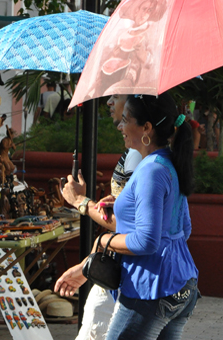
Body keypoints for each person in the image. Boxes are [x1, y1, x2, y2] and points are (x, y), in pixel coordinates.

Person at [55, 93, 199, 340]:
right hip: (181, 283)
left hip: (152, 289)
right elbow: (182, 229)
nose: (120, 127)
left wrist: (104, 242)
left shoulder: (151, 170)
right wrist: (125, 208)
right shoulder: (167, 164)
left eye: (126, 120)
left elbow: (147, 241)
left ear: (146, 128)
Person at [60, 95, 142, 340]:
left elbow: (132, 224)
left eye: (116, 97)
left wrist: (81, 203)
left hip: (123, 263)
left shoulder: (139, 157)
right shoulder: (138, 155)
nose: (109, 102)